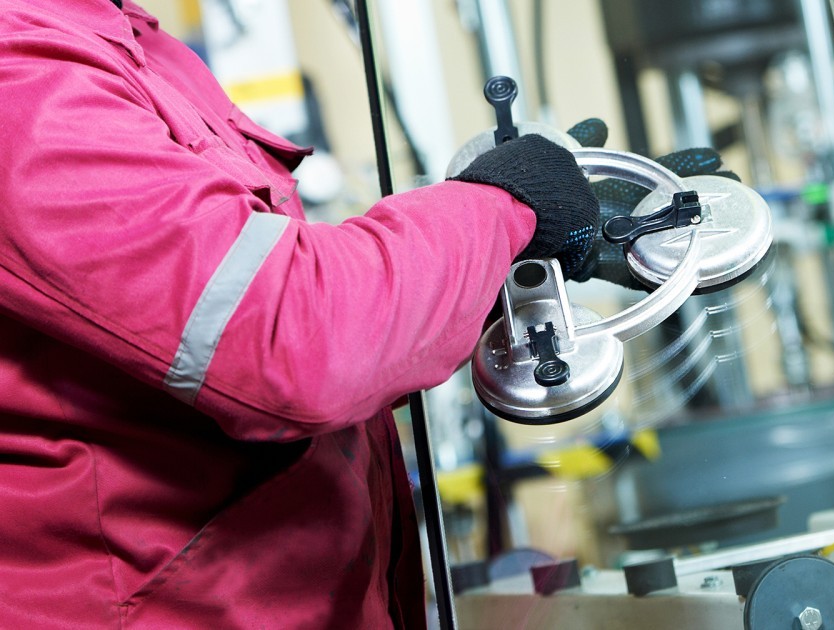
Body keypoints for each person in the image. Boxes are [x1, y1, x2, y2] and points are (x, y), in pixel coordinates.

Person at [0, 1, 603, 627]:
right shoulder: (21, 71)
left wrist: (472, 283)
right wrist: (502, 207)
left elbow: (198, 346)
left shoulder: (136, 45)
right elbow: (294, 344)